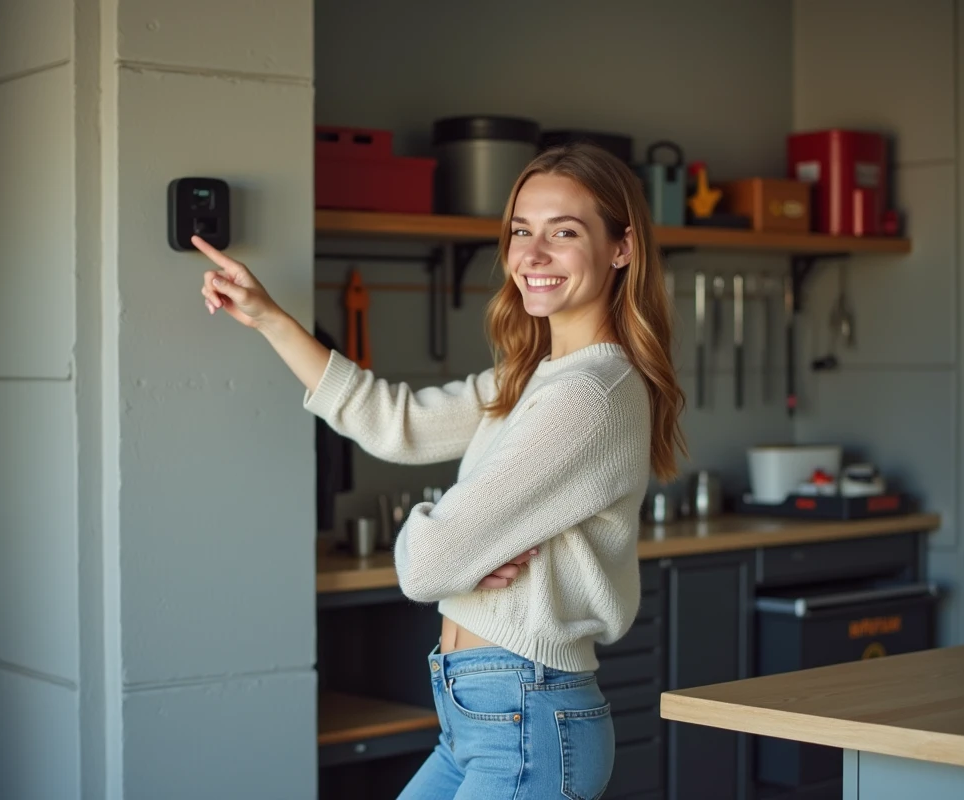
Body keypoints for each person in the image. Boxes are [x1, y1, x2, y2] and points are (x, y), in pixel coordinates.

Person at [196, 142, 686, 800]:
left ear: (621, 247)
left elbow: (426, 565)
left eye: (563, 233)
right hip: (478, 717)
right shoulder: (535, 377)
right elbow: (395, 421)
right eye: (520, 231)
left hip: (526, 718)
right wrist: (270, 320)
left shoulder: (587, 396)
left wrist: (455, 546)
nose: (532, 256)